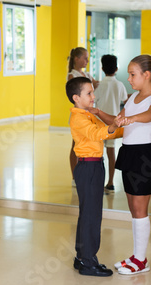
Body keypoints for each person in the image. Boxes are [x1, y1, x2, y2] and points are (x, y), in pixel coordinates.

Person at [101, 55, 151, 275]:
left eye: (132, 74)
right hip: (128, 153)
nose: (129, 78)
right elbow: (117, 120)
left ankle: (140, 260)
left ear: (147, 75)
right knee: (133, 208)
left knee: (140, 209)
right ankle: (138, 256)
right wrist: (96, 112)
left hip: (145, 156)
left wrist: (132, 119)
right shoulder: (133, 99)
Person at [67, 77, 124, 277]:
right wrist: (115, 124)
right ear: (76, 98)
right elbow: (97, 133)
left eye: (93, 92)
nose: (94, 96)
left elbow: (108, 132)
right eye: (89, 93)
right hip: (89, 167)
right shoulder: (79, 118)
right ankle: (88, 261)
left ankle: (82, 256)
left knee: (88, 214)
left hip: (93, 166)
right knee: (92, 215)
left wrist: (124, 128)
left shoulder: (88, 114)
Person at [94, 54, 128, 193]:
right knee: (111, 153)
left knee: (98, 154)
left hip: (99, 124)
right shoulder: (119, 85)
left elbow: (93, 101)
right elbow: (125, 101)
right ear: (117, 68)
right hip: (113, 124)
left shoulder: (99, 85)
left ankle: (98, 182)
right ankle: (111, 182)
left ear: (102, 68)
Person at [67, 47, 99, 186]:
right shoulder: (72, 75)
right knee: (76, 144)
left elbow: (93, 85)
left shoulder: (86, 73)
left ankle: (84, 173)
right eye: (85, 58)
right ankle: (75, 177)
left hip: (89, 113)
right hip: (80, 113)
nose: (87, 60)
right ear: (76, 59)